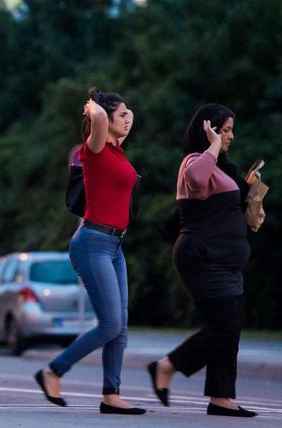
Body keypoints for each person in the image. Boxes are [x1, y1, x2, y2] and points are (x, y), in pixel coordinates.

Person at [34, 88, 145, 415]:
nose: (128, 119)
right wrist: (94, 102)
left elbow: (119, 120)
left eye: (128, 114)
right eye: (122, 114)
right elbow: (97, 117)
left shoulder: (117, 151)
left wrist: (121, 113)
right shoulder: (93, 149)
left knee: (120, 325)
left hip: (114, 245)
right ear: (104, 118)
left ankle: (111, 394)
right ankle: (53, 371)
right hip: (92, 243)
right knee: (110, 324)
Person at [147, 104, 262, 418]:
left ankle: (221, 398)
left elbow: (229, 208)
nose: (230, 137)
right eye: (224, 130)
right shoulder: (195, 162)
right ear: (207, 130)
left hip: (227, 262)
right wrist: (212, 145)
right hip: (202, 258)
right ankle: (166, 366)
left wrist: (254, 205)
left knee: (230, 328)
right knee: (225, 326)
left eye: (230, 130)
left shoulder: (224, 169)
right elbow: (197, 180)